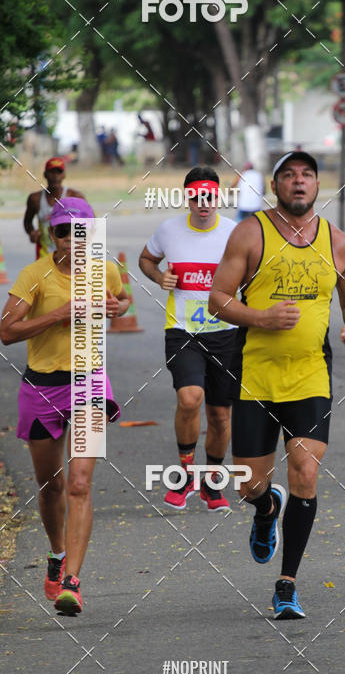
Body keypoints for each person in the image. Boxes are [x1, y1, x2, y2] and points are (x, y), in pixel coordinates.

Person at [208, 151, 345, 619]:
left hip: (310, 375)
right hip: (256, 375)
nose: (298, 182)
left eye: (307, 175)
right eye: (289, 175)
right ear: (275, 185)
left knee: (304, 469)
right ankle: (264, 509)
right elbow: (217, 299)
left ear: (318, 185)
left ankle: (287, 583)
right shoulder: (250, 233)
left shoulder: (340, 244)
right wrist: (259, 316)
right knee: (249, 483)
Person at [1, 197, 130, 615]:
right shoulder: (34, 276)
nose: (73, 241)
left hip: (89, 381)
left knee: (78, 483)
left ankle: (72, 580)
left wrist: (117, 307)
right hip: (42, 387)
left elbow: (121, 298)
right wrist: (60, 314)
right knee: (50, 485)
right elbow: (7, 332)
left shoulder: (104, 269)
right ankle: (57, 553)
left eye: (82, 232)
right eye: (63, 232)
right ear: (50, 234)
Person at [138, 167, 237, 512]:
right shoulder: (169, 230)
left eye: (210, 196)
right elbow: (146, 259)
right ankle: (185, 475)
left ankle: (212, 481)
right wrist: (158, 275)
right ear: (188, 197)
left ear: (218, 196)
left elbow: (255, 276)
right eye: (197, 197)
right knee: (190, 398)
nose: (204, 204)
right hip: (182, 330)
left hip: (225, 333)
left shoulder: (235, 233)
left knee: (221, 415)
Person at [23, 158, 85, 259]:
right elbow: (27, 222)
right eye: (51, 172)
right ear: (45, 174)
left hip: (71, 257)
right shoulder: (35, 199)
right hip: (45, 256)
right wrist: (32, 232)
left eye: (58, 172)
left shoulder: (75, 197)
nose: (55, 176)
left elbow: (92, 223)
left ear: (63, 175)